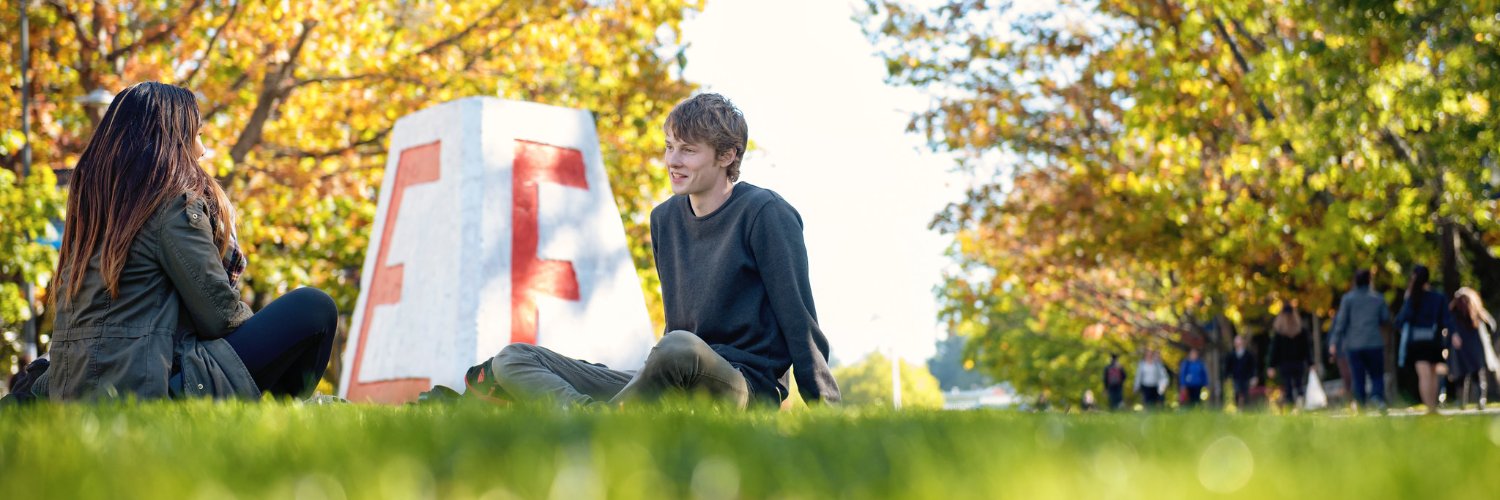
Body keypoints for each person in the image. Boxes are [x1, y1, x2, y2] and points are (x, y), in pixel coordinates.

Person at [462, 93, 841, 407]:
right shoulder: (665, 218)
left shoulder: (765, 213)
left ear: (727, 155)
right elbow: (679, 321)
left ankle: (607, 419)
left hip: (742, 387)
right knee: (515, 357)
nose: (673, 161)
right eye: (669, 147)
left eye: (688, 150)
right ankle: (592, 418)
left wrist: (825, 409)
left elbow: (799, 321)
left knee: (679, 348)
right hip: (673, 375)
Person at [40, 82, 338, 401]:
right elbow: (220, 316)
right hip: (152, 389)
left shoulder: (94, 215)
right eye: (196, 135)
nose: (202, 150)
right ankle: (289, 410)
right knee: (314, 308)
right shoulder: (170, 205)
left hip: (84, 390)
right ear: (172, 140)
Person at [1328, 269, 1391, 411]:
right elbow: (1385, 318)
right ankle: (1377, 397)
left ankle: (1361, 404)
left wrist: (1334, 342)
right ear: (1369, 280)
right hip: (1374, 342)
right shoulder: (1378, 298)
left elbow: (1341, 322)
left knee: (1358, 376)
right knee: (1376, 374)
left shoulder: (1348, 299)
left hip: (1354, 345)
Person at [1393, 265, 1448, 413]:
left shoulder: (1413, 297)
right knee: (1433, 374)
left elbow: (1401, 320)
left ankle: (1429, 408)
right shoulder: (1438, 297)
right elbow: (1445, 320)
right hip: (1434, 340)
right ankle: (1433, 408)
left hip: (1417, 341)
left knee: (1424, 375)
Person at [1448, 288, 1497, 409]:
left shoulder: (1456, 312)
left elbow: (1491, 325)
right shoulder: (1475, 312)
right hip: (1473, 348)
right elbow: (1492, 326)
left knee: (1466, 376)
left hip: (1466, 348)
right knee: (1475, 375)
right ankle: (1477, 401)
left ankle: (1464, 402)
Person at [1266, 301, 1312, 408]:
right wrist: (1310, 362)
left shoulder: (1280, 331)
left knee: (1289, 385)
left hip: (1287, 363)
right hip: (1296, 362)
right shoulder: (1300, 330)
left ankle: (1292, 403)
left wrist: (1271, 365)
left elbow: (1274, 350)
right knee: (1298, 384)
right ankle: (1299, 402)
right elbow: (1306, 348)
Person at [1223, 334, 1259, 408]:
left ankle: (1245, 408)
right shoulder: (1231, 355)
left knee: (1245, 393)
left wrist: (1254, 376)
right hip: (1236, 377)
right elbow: (1227, 367)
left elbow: (1253, 367)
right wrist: (1226, 377)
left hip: (1246, 378)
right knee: (1237, 392)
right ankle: (1238, 407)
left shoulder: (1248, 355)